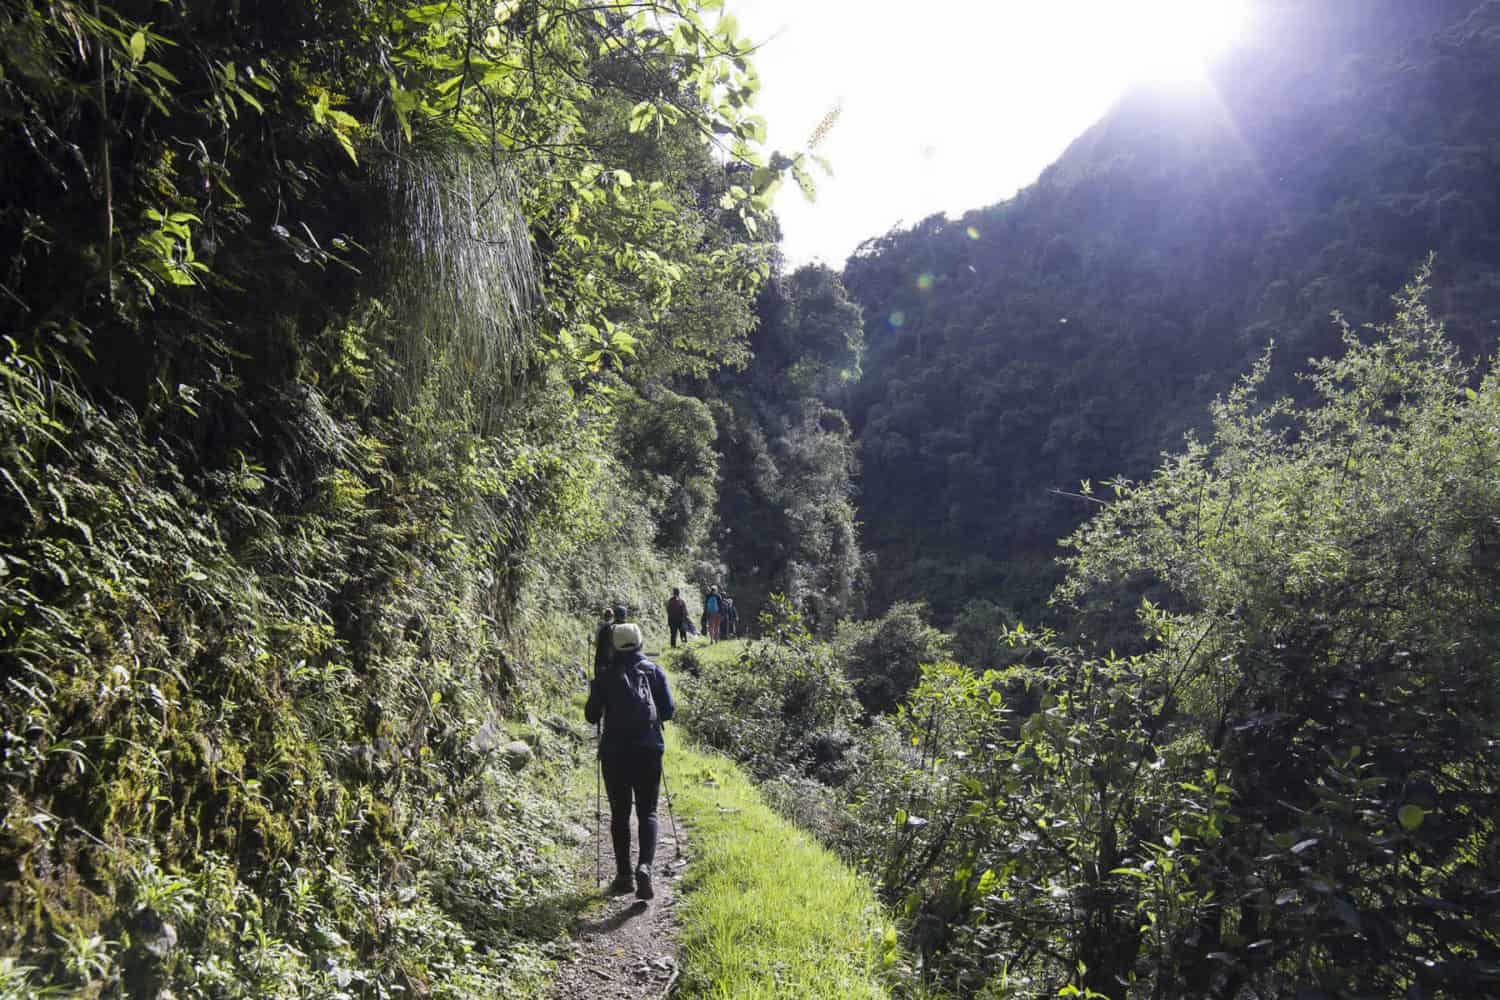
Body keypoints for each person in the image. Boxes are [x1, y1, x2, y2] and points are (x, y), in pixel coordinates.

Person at [585, 622, 675, 900]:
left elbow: (590, 715)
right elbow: (669, 711)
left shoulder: (605, 676)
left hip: (615, 752)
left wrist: (600, 693)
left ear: (613, 646)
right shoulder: (653, 671)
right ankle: (645, 867)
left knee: (620, 814)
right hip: (648, 749)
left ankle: (624, 876)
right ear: (639, 643)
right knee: (648, 811)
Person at [592, 607, 615, 678]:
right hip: (611, 657)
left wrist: (590, 641)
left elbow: (596, 644)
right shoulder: (614, 627)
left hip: (600, 656)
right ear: (612, 617)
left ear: (604, 616)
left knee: (599, 676)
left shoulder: (600, 627)